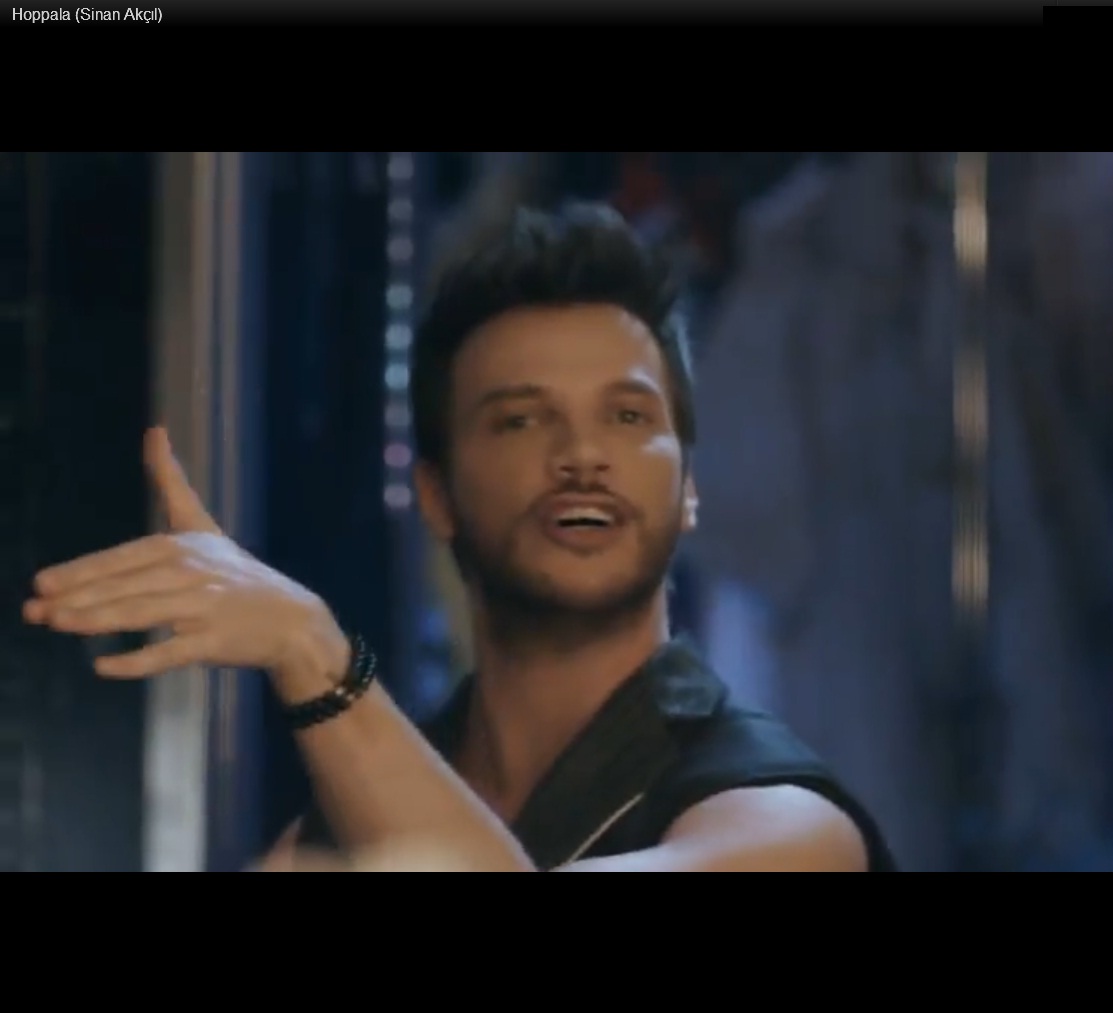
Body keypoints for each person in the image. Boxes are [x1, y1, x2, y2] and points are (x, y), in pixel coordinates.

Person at [22, 203, 895, 873]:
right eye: (521, 419)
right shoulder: (349, 817)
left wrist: (316, 654)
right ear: (435, 495)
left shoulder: (787, 825)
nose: (582, 455)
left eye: (628, 416)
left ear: (689, 486)